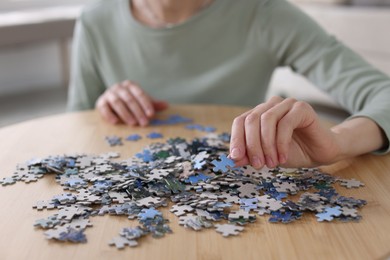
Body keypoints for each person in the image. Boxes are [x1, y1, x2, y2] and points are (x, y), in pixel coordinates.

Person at [67, 0, 390, 169]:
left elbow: (384, 94)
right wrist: (101, 106)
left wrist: (336, 142)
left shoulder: (264, 12)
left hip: (240, 188)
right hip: (127, 197)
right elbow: (70, 130)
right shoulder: (95, 21)